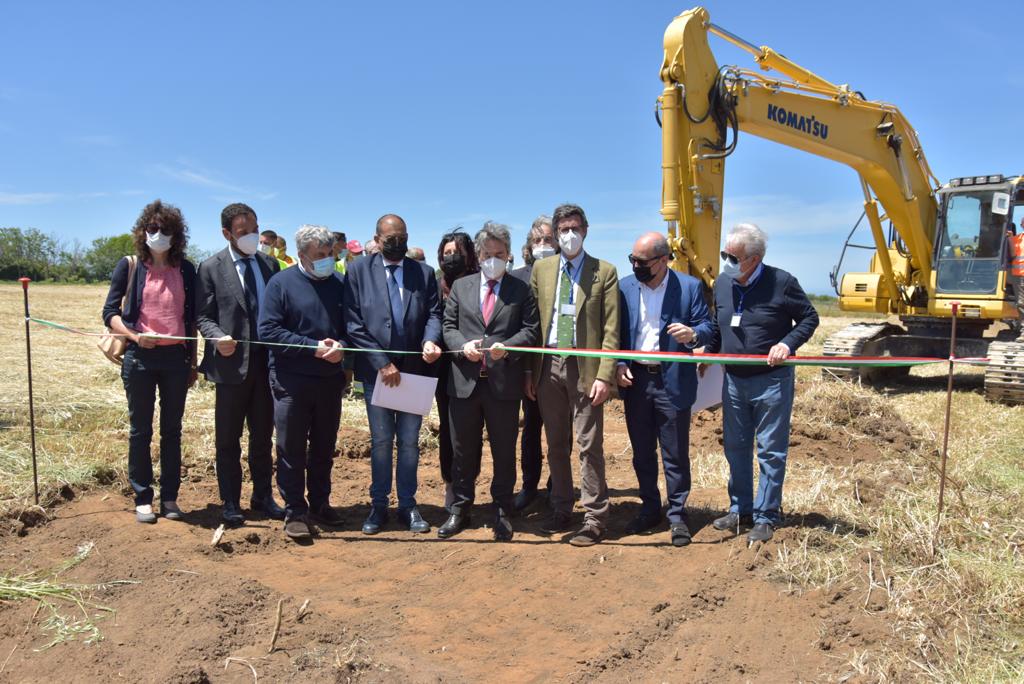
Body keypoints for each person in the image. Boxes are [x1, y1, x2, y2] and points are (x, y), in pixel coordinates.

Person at [705, 223, 819, 543]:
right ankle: (740, 508)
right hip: (734, 381)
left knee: (770, 450)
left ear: (754, 259)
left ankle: (766, 515)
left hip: (772, 382)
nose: (727, 260)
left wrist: (787, 344)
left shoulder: (781, 282)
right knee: (736, 447)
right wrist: (707, 351)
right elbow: (718, 325)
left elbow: (810, 318)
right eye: (725, 253)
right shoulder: (722, 283)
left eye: (733, 256)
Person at [438, 223, 539, 541]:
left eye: (499, 254)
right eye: (487, 254)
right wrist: (460, 345)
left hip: (502, 385)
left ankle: (502, 509)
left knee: (504, 451)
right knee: (463, 450)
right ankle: (460, 509)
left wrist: (508, 347)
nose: (493, 259)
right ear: (478, 255)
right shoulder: (461, 287)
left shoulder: (521, 290)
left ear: (508, 255)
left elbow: (531, 330)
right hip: (465, 384)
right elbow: (448, 327)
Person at [344, 214, 443, 534]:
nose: (397, 244)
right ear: (376, 239)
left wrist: (430, 339)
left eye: (402, 238)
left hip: (414, 369)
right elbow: (352, 322)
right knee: (382, 441)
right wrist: (381, 362)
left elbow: (433, 314)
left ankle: (408, 505)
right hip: (378, 373)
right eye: (390, 240)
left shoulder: (424, 273)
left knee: (411, 442)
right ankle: (378, 506)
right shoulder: (358, 270)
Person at [528, 203, 619, 547]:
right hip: (548, 363)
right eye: (563, 229)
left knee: (589, 443)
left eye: (575, 228)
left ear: (585, 230)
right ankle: (561, 507)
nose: (569, 235)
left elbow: (611, 330)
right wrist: (529, 371)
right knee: (555, 444)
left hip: (585, 367)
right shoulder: (544, 269)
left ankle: (595, 517)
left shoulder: (604, 272)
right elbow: (534, 325)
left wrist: (604, 375)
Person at [102, 199, 198, 524]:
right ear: (143, 231)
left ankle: (170, 498)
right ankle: (143, 497)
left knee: (172, 431)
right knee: (140, 430)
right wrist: (133, 336)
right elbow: (109, 313)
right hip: (139, 358)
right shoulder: (129, 266)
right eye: (152, 228)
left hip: (176, 359)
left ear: (176, 235)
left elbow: (193, 319)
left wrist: (193, 362)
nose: (158, 234)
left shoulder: (187, 269)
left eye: (165, 230)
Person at [616, 232, 712, 547]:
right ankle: (649, 508)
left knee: (674, 453)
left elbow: (708, 327)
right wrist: (619, 364)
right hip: (637, 381)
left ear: (662, 260)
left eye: (641, 262)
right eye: (632, 259)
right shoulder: (625, 287)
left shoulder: (689, 287)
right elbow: (615, 333)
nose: (635, 266)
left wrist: (693, 334)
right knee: (642, 452)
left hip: (672, 381)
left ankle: (678, 516)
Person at [195, 203, 285, 526]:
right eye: (243, 232)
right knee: (228, 440)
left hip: (265, 367)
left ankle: (263, 495)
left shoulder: (270, 265)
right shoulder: (210, 268)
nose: (251, 237)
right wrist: (217, 336)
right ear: (227, 234)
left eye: (255, 229)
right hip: (231, 368)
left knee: (263, 437)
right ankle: (230, 501)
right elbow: (202, 315)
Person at [258, 225, 347, 540]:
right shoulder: (280, 284)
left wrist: (341, 348)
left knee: (324, 446)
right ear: (301, 255)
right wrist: (312, 347)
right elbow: (267, 331)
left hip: (329, 381)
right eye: (319, 256)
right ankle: (295, 510)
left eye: (330, 255)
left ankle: (320, 503)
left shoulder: (338, 283)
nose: (327, 260)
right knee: (291, 447)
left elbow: (352, 325)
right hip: (290, 381)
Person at [509, 214, 557, 511]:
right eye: (537, 240)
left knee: (559, 431)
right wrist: (526, 369)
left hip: (559, 365)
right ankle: (529, 486)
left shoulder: (565, 273)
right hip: (528, 368)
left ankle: (557, 486)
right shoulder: (517, 278)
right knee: (531, 429)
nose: (543, 245)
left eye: (548, 239)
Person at [434, 230, 479, 510]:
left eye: (457, 253)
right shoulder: (437, 286)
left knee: (473, 432)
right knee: (450, 432)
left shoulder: (479, 284)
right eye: (446, 253)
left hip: (474, 369)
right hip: (443, 370)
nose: (451, 258)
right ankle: (451, 485)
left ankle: (469, 484)